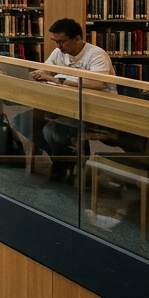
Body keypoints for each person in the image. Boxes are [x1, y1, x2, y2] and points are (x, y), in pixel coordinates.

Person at [32, 18, 117, 182]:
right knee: (28, 122)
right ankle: (62, 162)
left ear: (77, 39)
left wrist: (59, 80)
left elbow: (99, 83)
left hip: (99, 109)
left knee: (53, 130)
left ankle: (66, 167)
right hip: (69, 106)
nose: (58, 46)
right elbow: (45, 69)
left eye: (61, 41)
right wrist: (35, 74)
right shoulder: (59, 53)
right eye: (55, 41)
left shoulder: (96, 54)